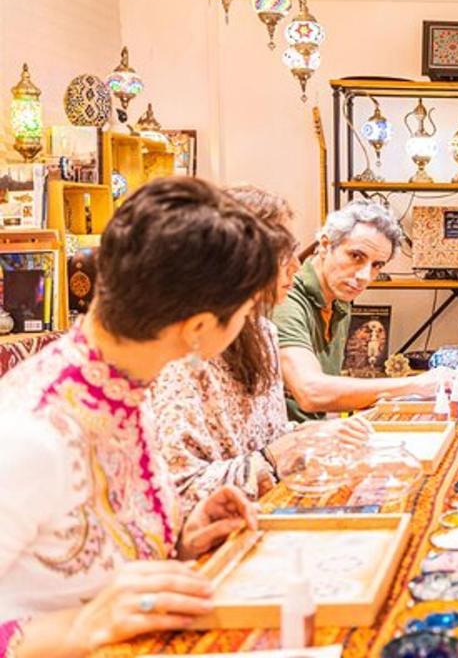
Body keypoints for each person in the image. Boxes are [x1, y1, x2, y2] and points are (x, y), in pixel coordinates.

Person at [0, 177, 275, 656]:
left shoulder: (124, 385)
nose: (251, 322)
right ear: (199, 329)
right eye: (247, 310)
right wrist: (80, 627)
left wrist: (183, 540)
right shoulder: (31, 432)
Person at [150, 186, 371, 516]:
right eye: (283, 253)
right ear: (239, 259)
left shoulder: (262, 330)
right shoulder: (185, 352)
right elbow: (179, 492)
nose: (296, 266)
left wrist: (315, 434)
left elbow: (269, 437)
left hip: (264, 514)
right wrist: (274, 455)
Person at [273, 199, 458, 421]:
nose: (364, 276)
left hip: (318, 436)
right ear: (325, 245)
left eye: (377, 265)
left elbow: (326, 399)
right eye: (356, 256)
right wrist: (414, 384)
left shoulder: (339, 299)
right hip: (283, 446)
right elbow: (310, 391)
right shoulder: (286, 299)